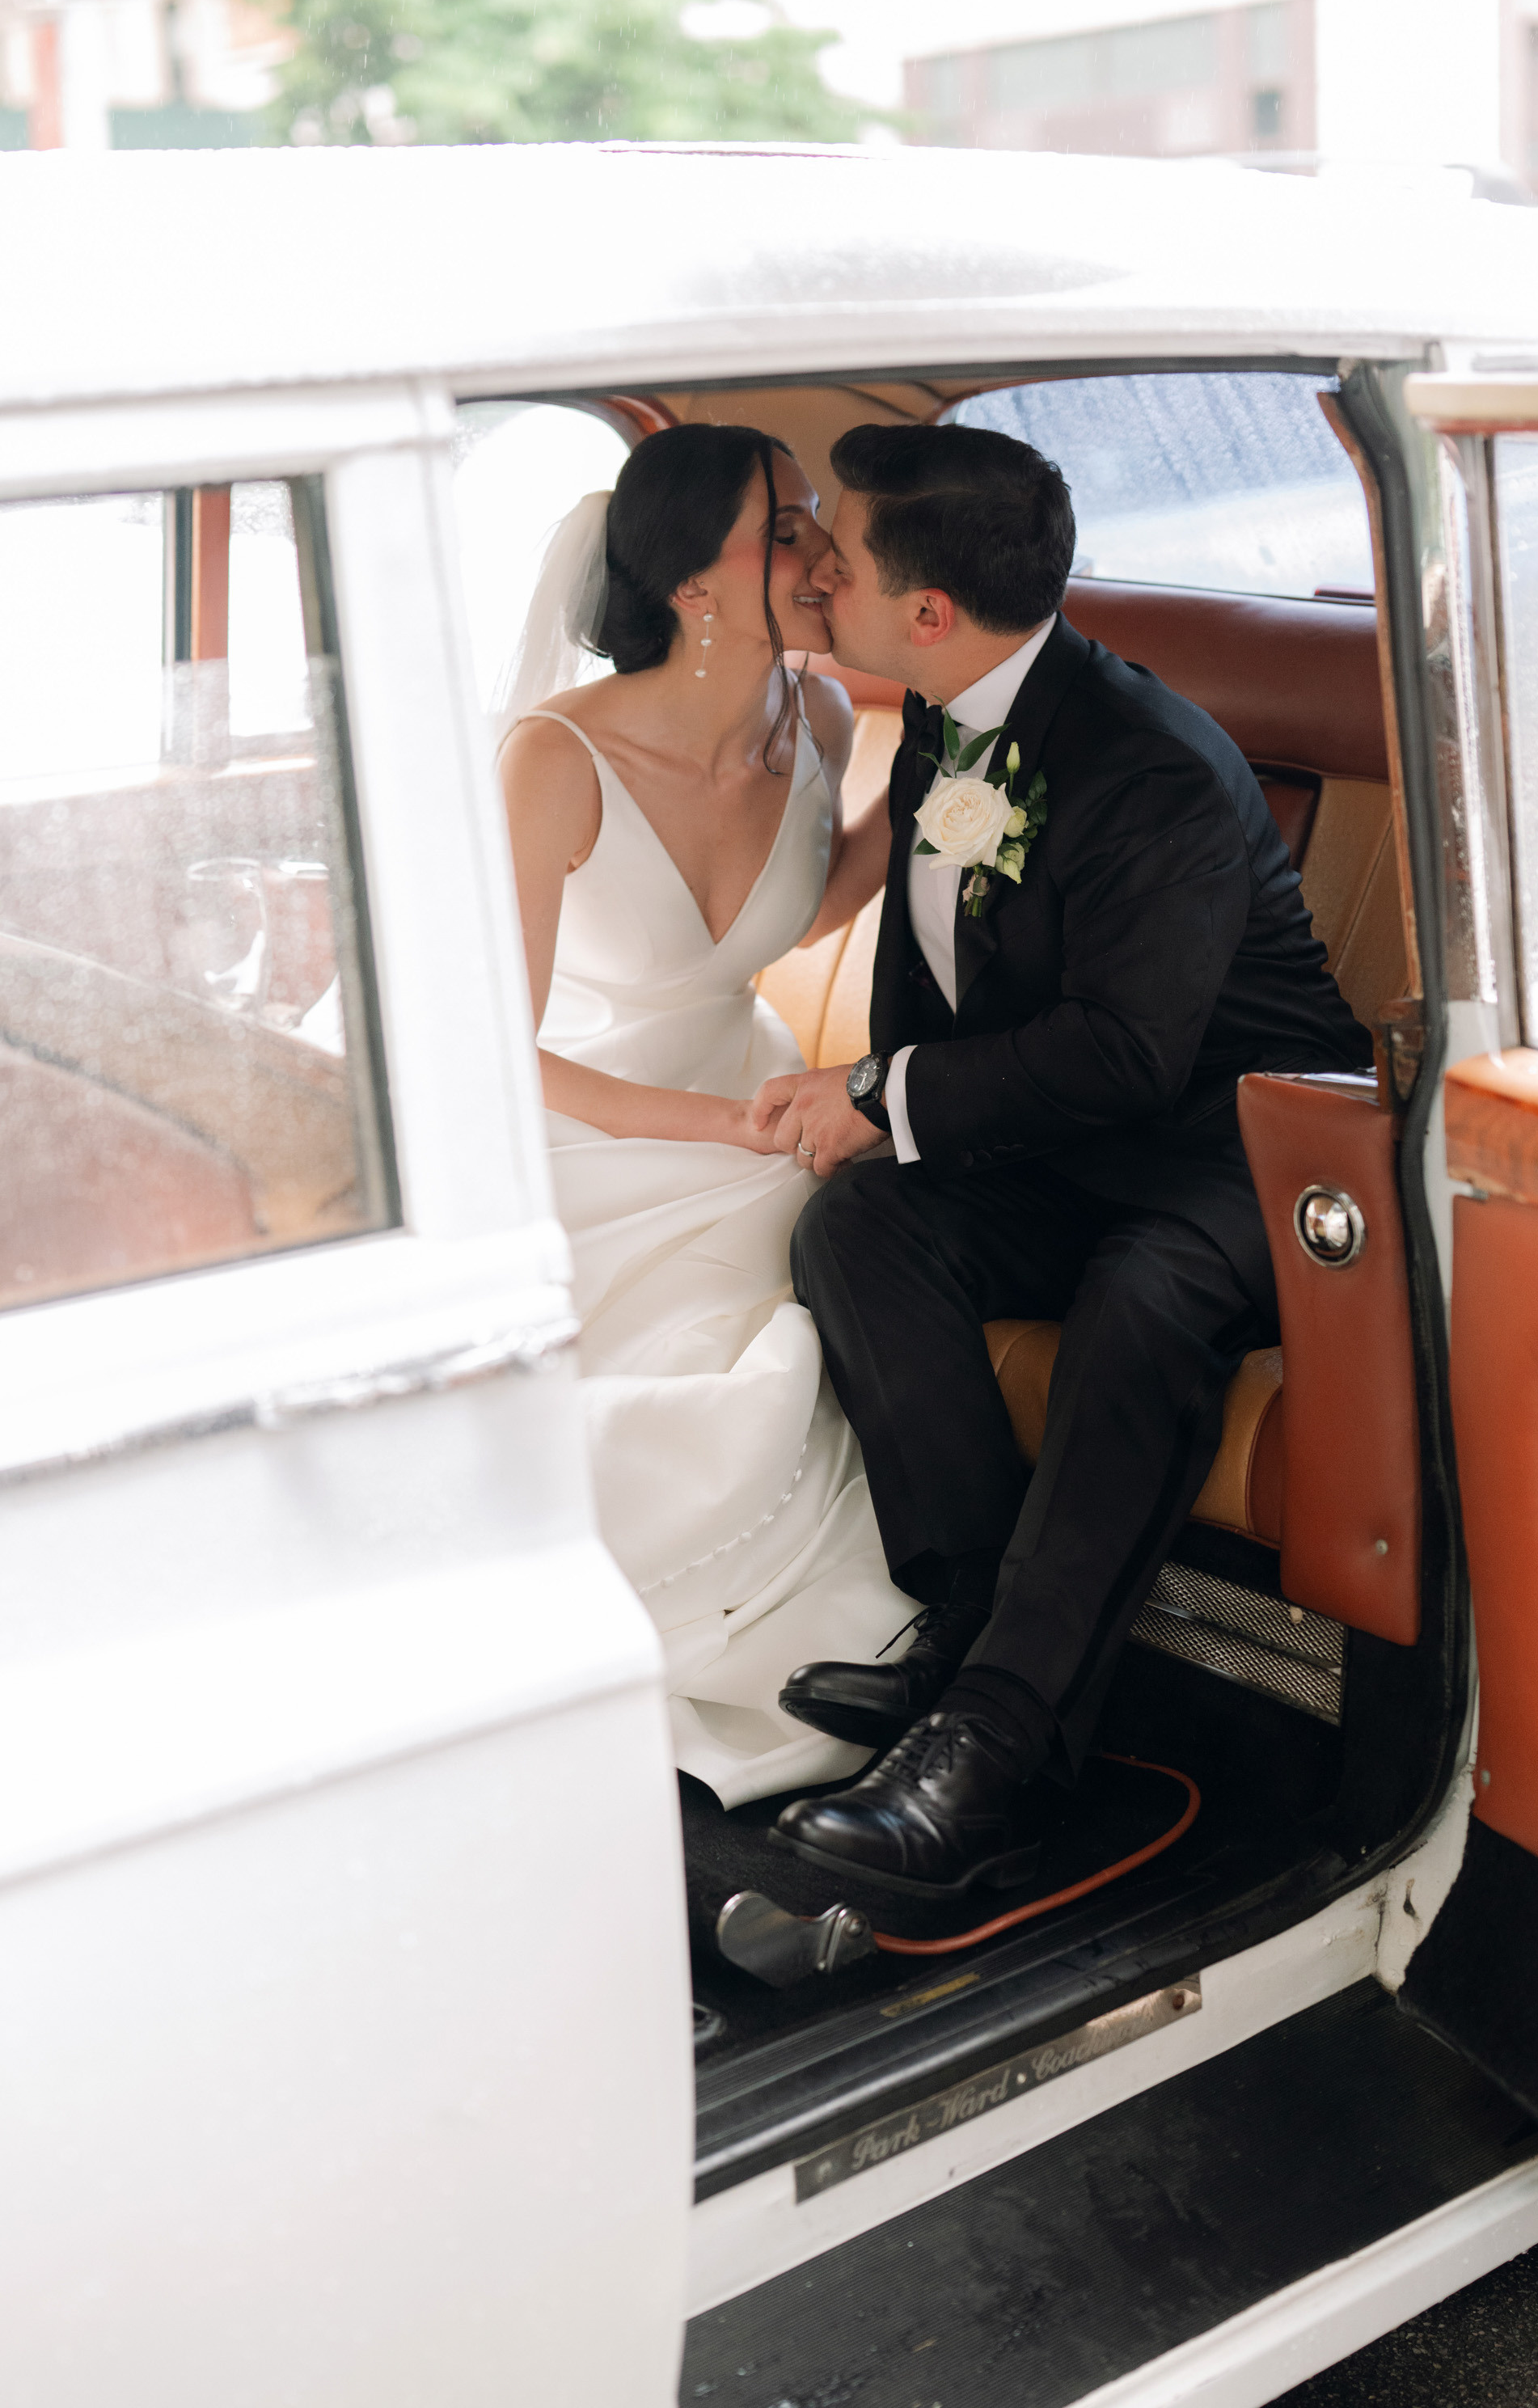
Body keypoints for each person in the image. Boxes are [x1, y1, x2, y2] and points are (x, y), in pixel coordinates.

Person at [758, 422, 1373, 1898]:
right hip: (1078, 1140)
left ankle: (1005, 1753)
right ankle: (976, 1637)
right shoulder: (947, 713)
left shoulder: (1146, 765)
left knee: (1146, 1294)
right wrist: (889, 1119)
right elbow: (931, 973)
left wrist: (885, 1090)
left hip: (1248, 1145)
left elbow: (1133, 1055)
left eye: (837, 543)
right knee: (862, 1229)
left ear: (926, 610)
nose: (814, 563)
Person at [498, 422, 911, 1809]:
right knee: (774, 1232)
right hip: (583, 1116)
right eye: (784, 527)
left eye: (810, 521)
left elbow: (820, 897)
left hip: (750, 1095)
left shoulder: (829, 721)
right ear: (692, 587)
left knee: (820, 1209)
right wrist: (706, 1129)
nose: (817, 549)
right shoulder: (555, 759)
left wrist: (932, 804)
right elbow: (504, 1045)